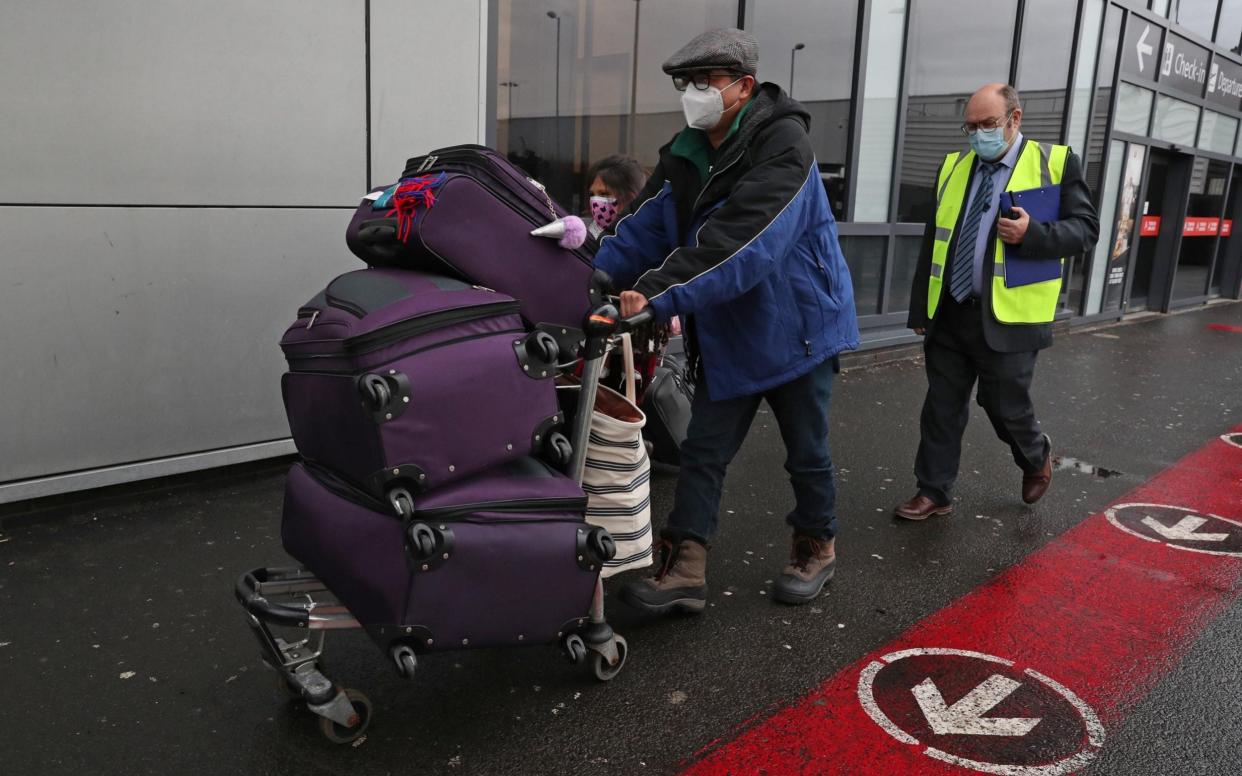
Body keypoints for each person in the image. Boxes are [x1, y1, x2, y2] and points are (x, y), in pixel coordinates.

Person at [592, 28, 859, 610]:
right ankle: (684, 566)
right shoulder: (687, 150)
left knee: (806, 448)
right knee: (704, 449)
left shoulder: (784, 145)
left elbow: (745, 243)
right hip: (731, 326)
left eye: (704, 82)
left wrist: (654, 295)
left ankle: (816, 545)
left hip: (796, 325)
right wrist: (589, 272)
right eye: (685, 83)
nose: (692, 93)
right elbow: (643, 226)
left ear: (742, 86)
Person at [894, 83, 1099, 521]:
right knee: (941, 407)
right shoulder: (953, 166)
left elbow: (1085, 230)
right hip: (950, 310)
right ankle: (933, 491)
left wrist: (1034, 235)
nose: (977, 135)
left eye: (987, 125)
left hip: (1010, 316)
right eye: (970, 127)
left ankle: (1035, 456)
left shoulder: (1054, 162)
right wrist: (920, 310)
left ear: (1015, 119)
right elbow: (935, 240)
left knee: (1004, 405)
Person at [584, 155, 647, 242]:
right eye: (592, 194)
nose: (595, 201)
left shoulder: (644, 241)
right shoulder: (581, 233)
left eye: (604, 194)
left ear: (630, 199)